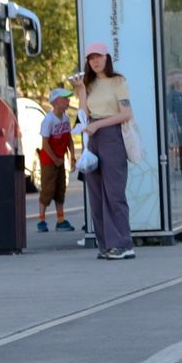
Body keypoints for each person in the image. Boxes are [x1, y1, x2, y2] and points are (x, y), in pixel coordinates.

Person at [71, 42, 135, 260]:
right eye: (91, 58)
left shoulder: (118, 81)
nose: (95, 61)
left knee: (114, 192)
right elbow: (83, 114)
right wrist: (80, 89)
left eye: (99, 56)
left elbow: (125, 113)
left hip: (111, 136)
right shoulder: (89, 84)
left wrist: (99, 124)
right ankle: (106, 244)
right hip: (93, 138)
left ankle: (123, 244)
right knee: (95, 193)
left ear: (107, 58)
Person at [36, 88, 76, 233]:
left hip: (60, 159)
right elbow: (45, 144)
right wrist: (54, 159)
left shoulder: (65, 119)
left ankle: (60, 220)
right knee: (48, 189)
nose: (68, 101)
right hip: (49, 160)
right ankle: (41, 220)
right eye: (65, 99)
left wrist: (72, 157)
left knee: (60, 189)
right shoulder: (48, 120)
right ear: (56, 101)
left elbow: (69, 139)